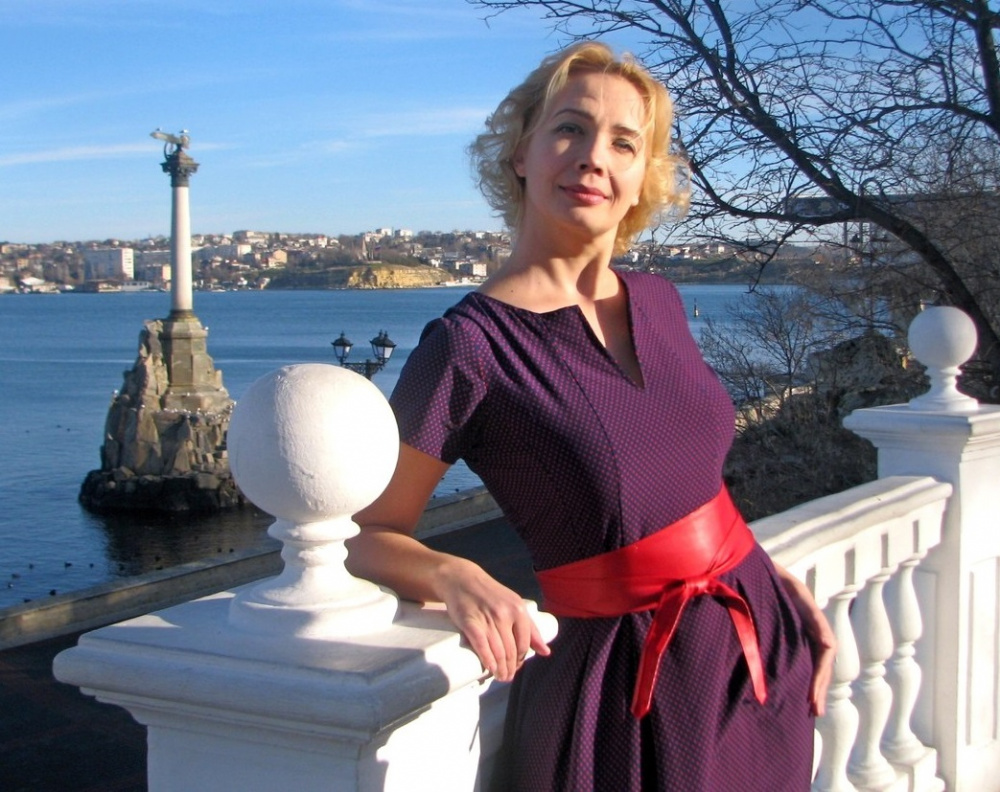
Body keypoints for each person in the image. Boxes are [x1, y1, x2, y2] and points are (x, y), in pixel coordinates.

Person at [346, 40, 836, 790]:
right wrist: (450, 572)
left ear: (643, 179)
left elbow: (691, 477)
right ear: (521, 153)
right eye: (569, 129)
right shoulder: (469, 346)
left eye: (623, 143)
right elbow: (361, 534)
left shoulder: (660, 301)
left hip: (756, 650)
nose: (593, 158)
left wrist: (762, 574)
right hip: (629, 696)